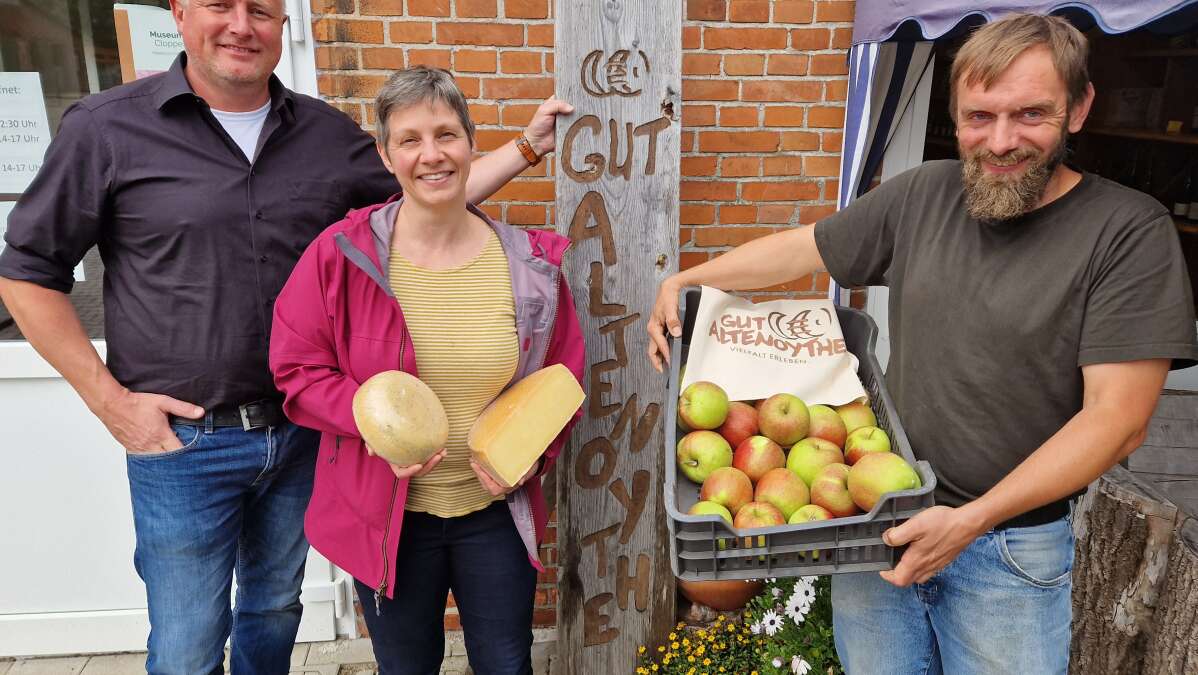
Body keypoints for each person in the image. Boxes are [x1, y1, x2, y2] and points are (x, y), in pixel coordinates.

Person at [0, 1, 570, 673]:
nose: (242, 26)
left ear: (282, 26)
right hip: (186, 441)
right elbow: (27, 273)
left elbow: (431, 183)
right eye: (220, 6)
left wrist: (527, 147)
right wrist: (108, 400)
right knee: (186, 643)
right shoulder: (108, 129)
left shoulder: (325, 134)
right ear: (180, 14)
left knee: (273, 612)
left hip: (303, 435)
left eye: (262, 10)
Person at [647, 13, 1197, 674]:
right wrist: (687, 279)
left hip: (1007, 554)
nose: (1000, 141)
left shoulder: (1127, 232)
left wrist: (969, 521)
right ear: (956, 112)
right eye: (979, 116)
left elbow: (1118, 420)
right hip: (875, 528)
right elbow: (810, 245)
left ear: (1078, 108)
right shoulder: (925, 193)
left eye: (1030, 114)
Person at [268, 66, 584, 675]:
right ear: (386, 156)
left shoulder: (530, 267)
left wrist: (528, 461)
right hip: (385, 516)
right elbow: (297, 368)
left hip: (493, 514)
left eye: (446, 134)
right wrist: (370, 425)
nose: (431, 155)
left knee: (506, 664)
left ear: (470, 143)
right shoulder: (341, 256)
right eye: (409, 140)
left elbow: (562, 380)